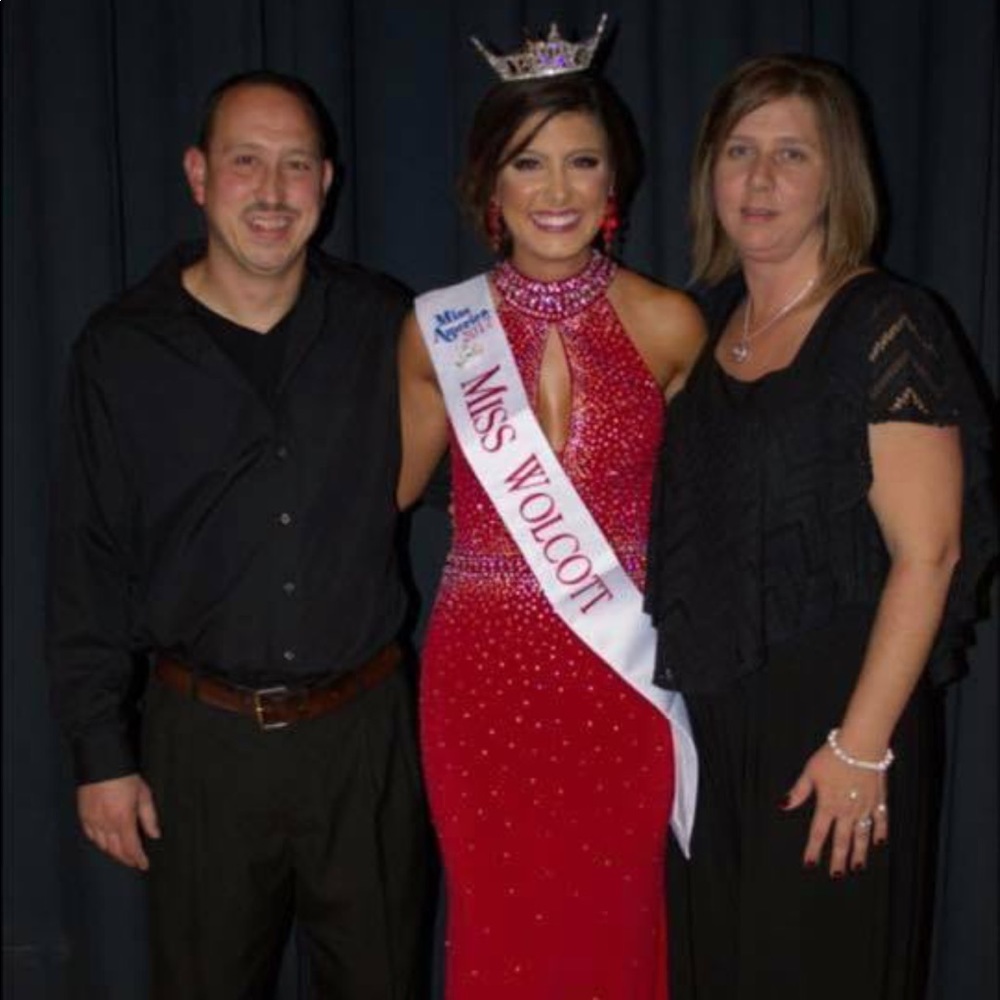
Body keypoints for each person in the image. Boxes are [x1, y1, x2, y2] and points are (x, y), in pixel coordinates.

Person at [47, 71, 427, 999]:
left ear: (327, 183)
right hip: (201, 751)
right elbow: (85, 560)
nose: (271, 191)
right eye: (245, 162)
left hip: (364, 745)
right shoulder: (120, 348)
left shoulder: (387, 324)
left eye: (295, 166)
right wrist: (102, 756)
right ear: (197, 174)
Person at [644, 54, 996, 1000]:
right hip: (714, 726)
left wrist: (861, 747)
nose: (758, 181)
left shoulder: (886, 322)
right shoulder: (710, 326)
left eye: (791, 154)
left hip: (839, 725)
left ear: (836, 174)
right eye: (739, 151)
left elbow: (932, 552)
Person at [398, 17, 705, 1000]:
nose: (558, 191)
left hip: (616, 678)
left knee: (615, 931)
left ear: (615, 182)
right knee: (500, 928)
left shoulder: (670, 324)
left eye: (583, 161)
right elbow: (384, 493)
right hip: (477, 679)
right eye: (529, 163)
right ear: (490, 184)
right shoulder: (434, 330)